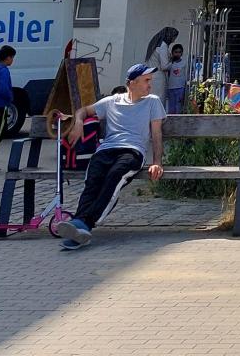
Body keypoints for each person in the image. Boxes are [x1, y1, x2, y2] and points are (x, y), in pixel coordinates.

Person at [57, 63, 166, 251]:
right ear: (132, 83)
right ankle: (78, 227)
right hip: (106, 150)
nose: (150, 85)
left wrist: (157, 162)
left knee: (113, 177)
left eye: (150, 81)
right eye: (146, 81)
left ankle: (84, 224)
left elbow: (156, 135)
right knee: (93, 180)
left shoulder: (153, 101)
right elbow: (83, 110)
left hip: (132, 152)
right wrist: (79, 122)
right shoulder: (112, 101)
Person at [164, 42, 189, 115]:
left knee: (178, 106)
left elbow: (186, 74)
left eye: (179, 52)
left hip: (180, 87)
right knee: (171, 107)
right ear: (172, 53)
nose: (177, 54)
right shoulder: (170, 63)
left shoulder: (184, 62)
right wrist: (171, 61)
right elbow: (166, 69)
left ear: (182, 53)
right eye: (176, 52)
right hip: (171, 87)